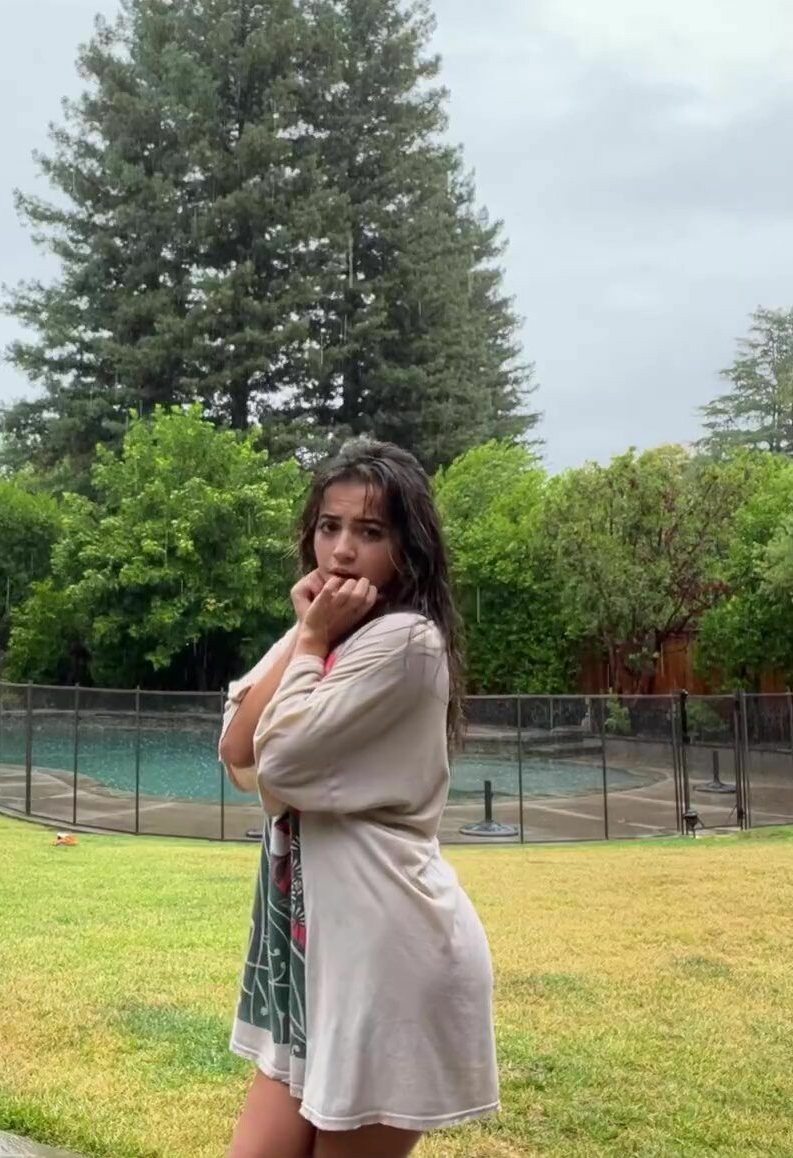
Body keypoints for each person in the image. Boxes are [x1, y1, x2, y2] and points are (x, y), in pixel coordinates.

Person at [218, 437, 500, 1158]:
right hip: (313, 964)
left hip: (387, 958)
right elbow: (237, 750)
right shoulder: (327, 629)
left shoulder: (406, 642)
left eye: (370, 532)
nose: (342, 550)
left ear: (409, 550)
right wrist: (307, 635)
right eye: (329, 526)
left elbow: (281, 761)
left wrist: (312, 642)